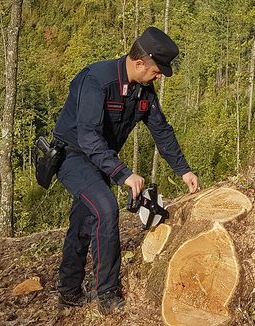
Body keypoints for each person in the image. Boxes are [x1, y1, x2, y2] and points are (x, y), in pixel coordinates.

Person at [53, 27, 199, 314]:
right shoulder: (97, 79)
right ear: (140, 63)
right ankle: (107, 293)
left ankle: (68, 291)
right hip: (73, 156)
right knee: (106, 208)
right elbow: (87, 137)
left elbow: (161, 130)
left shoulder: (143, 90)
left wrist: (184, 170)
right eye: (158, 70)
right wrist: (123, 172)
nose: (160, 76)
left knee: (85, 217)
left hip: (100, 157)